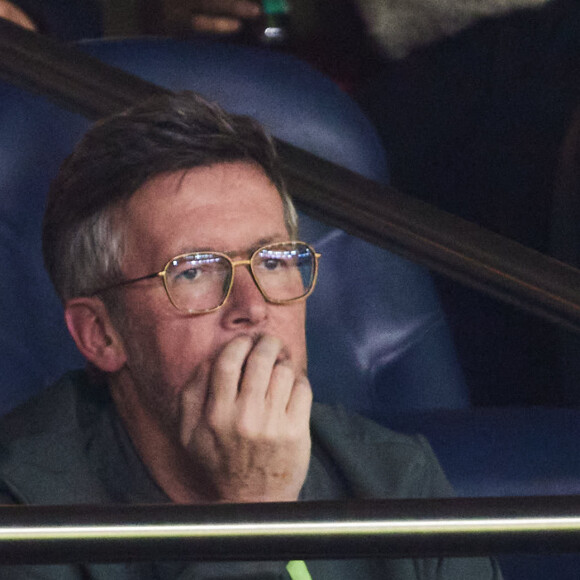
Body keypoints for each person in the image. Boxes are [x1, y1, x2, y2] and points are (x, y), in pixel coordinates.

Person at [0, 91, 501, 579]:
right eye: (193, 271)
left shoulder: (395, 478)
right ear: (101, 334)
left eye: (276, 260)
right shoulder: (20, 515)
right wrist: (249, 513)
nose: (253, 306)